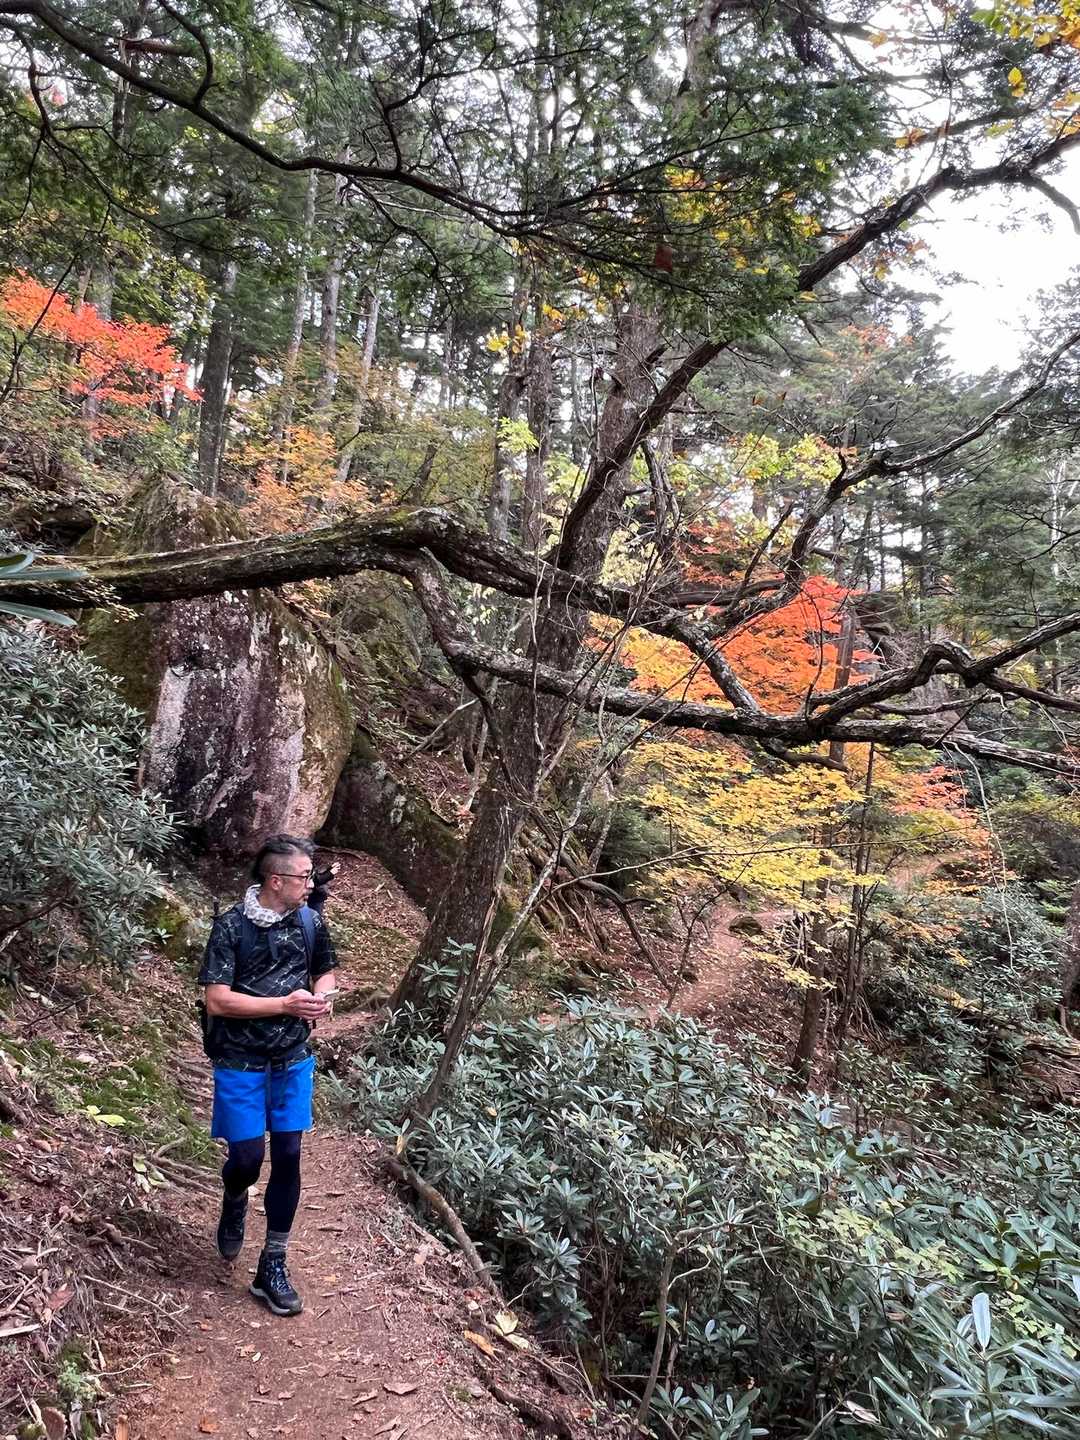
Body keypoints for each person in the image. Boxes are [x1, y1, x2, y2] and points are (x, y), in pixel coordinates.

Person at [198, 834, 338, 1316]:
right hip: (239, 1060)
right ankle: (235, 1195)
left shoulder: (309, 921)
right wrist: (283, 1004)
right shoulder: (231, 927)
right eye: (304, 876)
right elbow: (217, 1000)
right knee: (246, 1159)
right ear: (276, 880)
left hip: (292, 1059)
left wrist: (322, 997)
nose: (311, 884)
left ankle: (272, 1264)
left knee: (290, 1155)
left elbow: (325, 970)